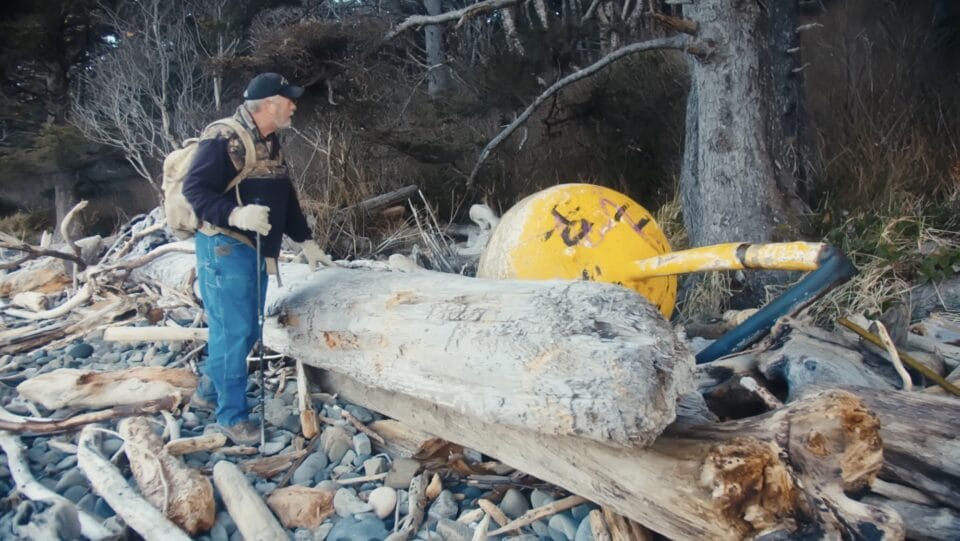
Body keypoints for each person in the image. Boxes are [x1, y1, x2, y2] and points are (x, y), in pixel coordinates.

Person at [182, 72, 326, 444]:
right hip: (225, 248)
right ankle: (231, 417)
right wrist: (234, 214)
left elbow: (285, 194)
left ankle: (208, 393)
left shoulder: (270, 141)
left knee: (244, 330)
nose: (294, 105)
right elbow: (194, 189)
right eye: (288, 99)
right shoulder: (224, 139)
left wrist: (304, 240)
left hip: (256, 251)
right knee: (233, 333)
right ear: (268, 104)